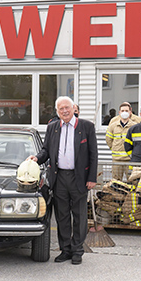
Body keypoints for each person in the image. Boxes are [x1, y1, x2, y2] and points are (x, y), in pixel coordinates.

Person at [29, 96, 97, 265]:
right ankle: (65, 249)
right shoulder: (53, 127)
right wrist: (37, 159)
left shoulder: (86, 127)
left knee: (79, 215)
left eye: (67, 107)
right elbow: (46, 151)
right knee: (62, 216)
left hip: (79, 178)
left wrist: (92, 178)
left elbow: (93, 155)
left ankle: (77, 251)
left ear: (74, 108)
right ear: (57, 111)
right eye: (61, 109)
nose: (65, 111)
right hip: (59, 178)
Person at [105, 102, 140, 182]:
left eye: (127, 111)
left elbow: (138, 142)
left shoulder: (135, 126)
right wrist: (114, 148)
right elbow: (108, 140)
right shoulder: (113, 125)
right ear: (119, 112)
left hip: (130, 159)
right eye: (123, 110)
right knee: (116, 182)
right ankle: (117, 195)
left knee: (132, 181)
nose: (124, 112)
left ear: (130, 112)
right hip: (117, 160)